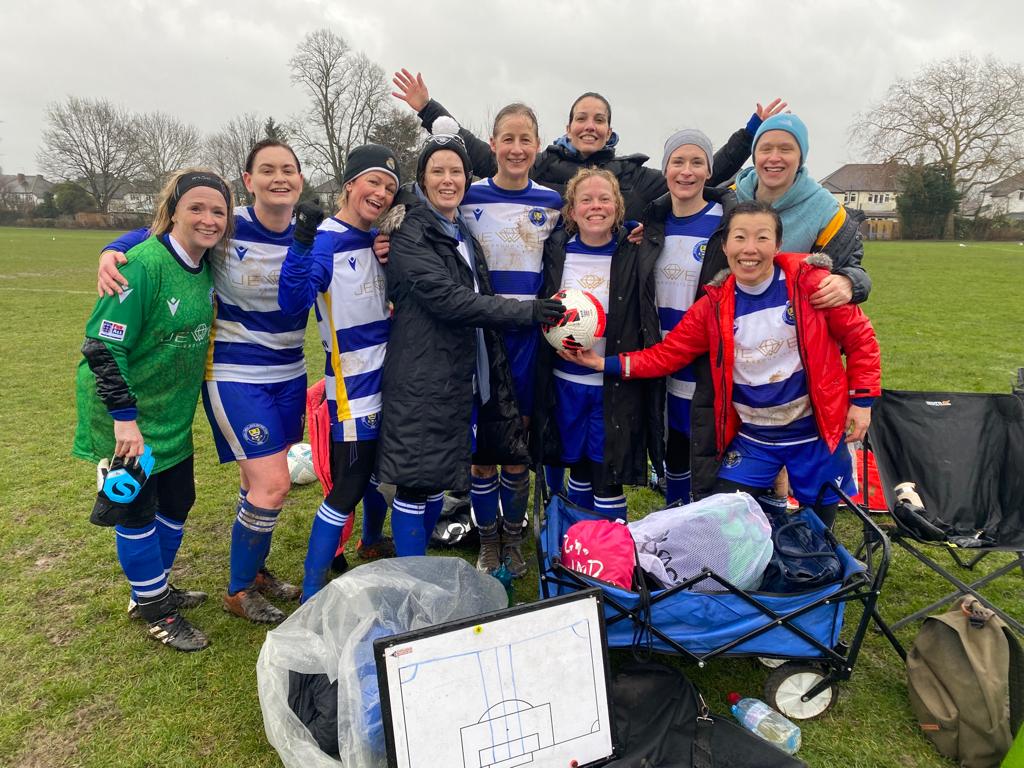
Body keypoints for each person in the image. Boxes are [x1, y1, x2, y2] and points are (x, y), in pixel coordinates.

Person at [96, 140, 309, 623]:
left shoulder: (309, 232)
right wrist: (113, 249)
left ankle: (253, 570)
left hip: (291, 371)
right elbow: (165, 232)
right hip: (236, 372)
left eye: (289, 170)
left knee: (255, 481)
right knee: (274, 485)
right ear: (248, 181)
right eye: (267, 170)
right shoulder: (229, 226)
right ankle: (238, 592)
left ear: (300, 179)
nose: (279, 178)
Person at [565, 201, 881, 526]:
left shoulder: (810, 284)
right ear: (726, 244)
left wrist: (862, 402)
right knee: (726, 525)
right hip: (754, 440)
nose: (750, 249)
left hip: (814, 436)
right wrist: (605, 364)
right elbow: (667, 354)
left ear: (778, 244)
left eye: (762, 238)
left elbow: (861, 339)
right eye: (740, 237)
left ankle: (815, 566)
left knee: (819, 535)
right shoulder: (713, 306)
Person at [376, 130, 565, 557]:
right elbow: (449, 299)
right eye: (437, 171)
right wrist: (529, 311)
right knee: (417, 480)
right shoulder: (410, 232)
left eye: (456, 171)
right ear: (422, 179)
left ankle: (501, 544)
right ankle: (414, 575)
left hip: (468, 365)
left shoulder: (460, 229)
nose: (448, 179)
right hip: (425, 372)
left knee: (459, 465)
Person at [74, 168, 233, 652]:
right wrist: (125, 419)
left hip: (170, 417)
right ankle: (155, 609)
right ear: (174, 211)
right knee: (137, 513)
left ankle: (153, 588)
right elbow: (100, 346)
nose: (208, 219)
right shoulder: (141, 264)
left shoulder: (206, 266)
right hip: (124, 418)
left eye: (218, 211)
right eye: (197, 208)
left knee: (178, 502)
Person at [391, 68, 786, 220]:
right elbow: (479, 152)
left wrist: (751, 131)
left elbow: (698, 172)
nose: (590, 126)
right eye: (582, 118)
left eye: (599, 119)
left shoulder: (633, 176)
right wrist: (428, 109)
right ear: (568, 126)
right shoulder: (538, 166)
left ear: (610, 129)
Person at [277, 144, 401, 602]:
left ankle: (370, 542)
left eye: (389, 186)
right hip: (352, 386)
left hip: (392, 374)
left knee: (383, 472)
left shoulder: (381, 239)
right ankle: (312, 590)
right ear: (350, 184)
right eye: (373, 181)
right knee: (350, 483)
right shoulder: (326, 240)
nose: (381, 193)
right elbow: (292, 305)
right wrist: (302, 244)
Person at [458, 104, 563, 575]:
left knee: (517, 446)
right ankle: (488, 541)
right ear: (493, 142)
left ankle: (515, 538)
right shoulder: (467, 195)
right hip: (479, 338)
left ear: (537, 145)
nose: (517, 148)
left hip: (527, 340)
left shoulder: (554, 202)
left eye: (526, 139)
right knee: (482, 453)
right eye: (508, 139)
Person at [532, 168, 661, 520]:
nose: (595, 206)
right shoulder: (554, 249)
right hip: (567, 385)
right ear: (571, 211)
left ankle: (609, 557)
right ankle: (577, 551)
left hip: (612, 386)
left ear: (618, 208)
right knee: (579, 470)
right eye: (585, 199)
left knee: (608, 475)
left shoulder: (635, 250)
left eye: (605, 199)